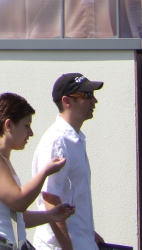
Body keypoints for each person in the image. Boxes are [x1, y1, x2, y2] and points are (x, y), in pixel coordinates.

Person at [0, 93, 76, 250]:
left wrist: (50, 216)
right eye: (27, 125)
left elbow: (15, 216)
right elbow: (19, 202)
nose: (31, 133)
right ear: (9, 125)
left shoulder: (3, 160)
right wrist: (45, 172)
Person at [31, 74, 104, 250]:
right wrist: (67, 247)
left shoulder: (74, 139)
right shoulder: (58, 141)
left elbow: (71, 197)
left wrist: (89, 234)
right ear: (67, 101)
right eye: (87, 95)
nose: (94, 101)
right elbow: (50, 197)